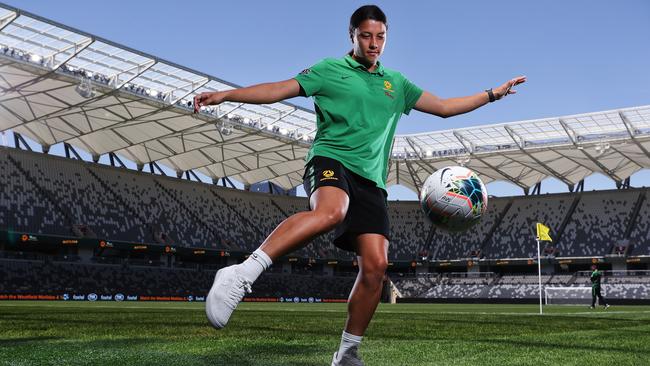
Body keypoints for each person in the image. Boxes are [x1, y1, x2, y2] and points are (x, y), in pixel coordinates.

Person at [194, 5, 525, 365]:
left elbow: (444, 106)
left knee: (376, 266)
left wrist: (492, 94)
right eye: (365, 36)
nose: (373, 43)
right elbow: (280, 88)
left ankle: (347, 353)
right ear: (351, 36)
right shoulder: (329, 70)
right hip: (331, 161)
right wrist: (226, 95)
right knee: (332, 211)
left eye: (380, 36)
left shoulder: (395, 83)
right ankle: (243, 273)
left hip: (372, 182)